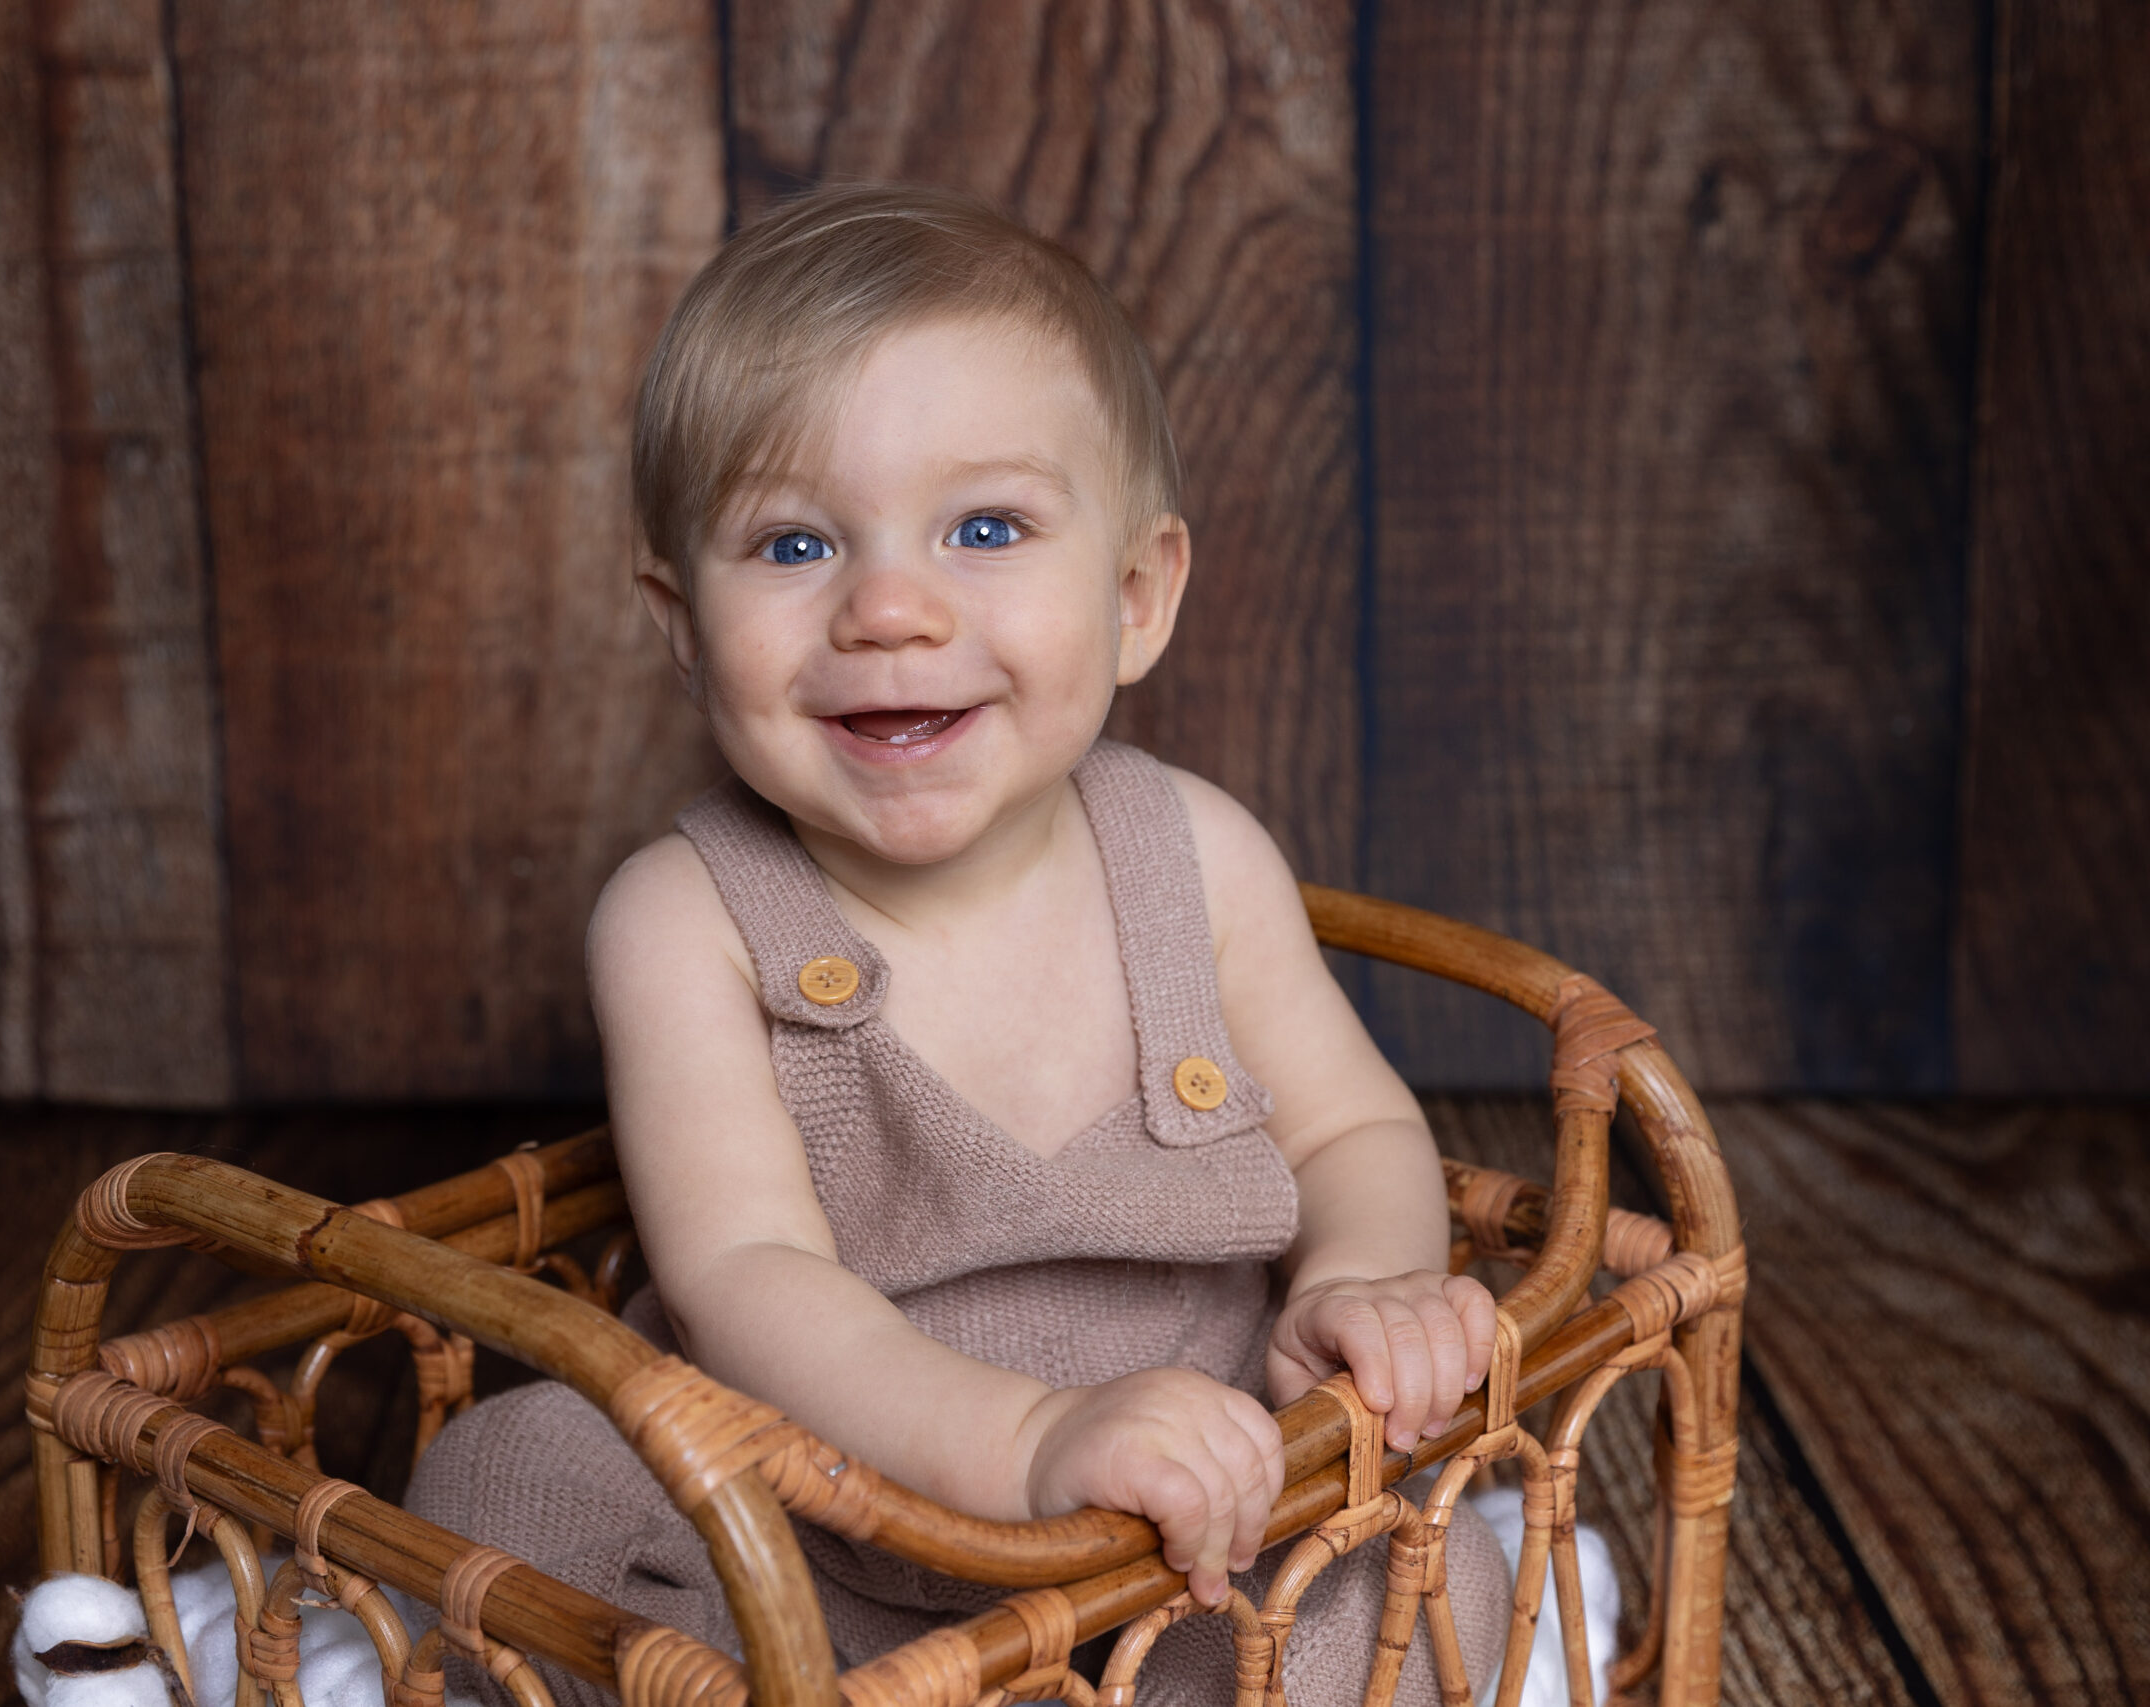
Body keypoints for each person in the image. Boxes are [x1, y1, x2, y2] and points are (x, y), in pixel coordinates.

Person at [407, 182, 1511, 1707]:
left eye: (986, 528)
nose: (890, 608)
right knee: (508, 1473)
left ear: (1136, 597)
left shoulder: (1196, 856)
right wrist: (1025, 1441)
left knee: (1432, 1575)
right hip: (799, 1541)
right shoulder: (685, 920)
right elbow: (743, 1274)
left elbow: (1352, 1129)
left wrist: (1366, 1280)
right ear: (680, 626)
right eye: (794, 543)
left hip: (1185, 1529)